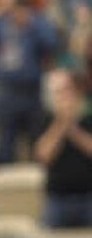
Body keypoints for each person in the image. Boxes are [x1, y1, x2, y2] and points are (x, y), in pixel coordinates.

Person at [0, 0, 60, 164]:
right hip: (5, 91)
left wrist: (32, 25)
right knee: (5, 145)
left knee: (36, 141)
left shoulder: (38, 23)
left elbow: (51, 43)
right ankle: (5, 183)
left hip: (31, 91)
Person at [34, 69, 92, 228]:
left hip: (88, 195)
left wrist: (72, 129)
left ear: (76, 91)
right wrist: (61, 125)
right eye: (57, 93)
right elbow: (44, 156)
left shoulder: (88, 118)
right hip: (57, 198)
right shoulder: (44, 119)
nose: (62, 97)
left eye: (65, 91)